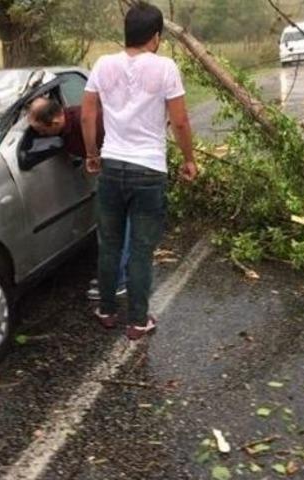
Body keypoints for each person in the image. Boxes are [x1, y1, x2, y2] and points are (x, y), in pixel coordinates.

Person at [80, 1, 197, 340]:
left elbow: (88, 115)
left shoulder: (102, 64)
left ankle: (105, 309)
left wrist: (92, 153)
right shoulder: (165, 68)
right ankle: (137, 321)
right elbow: (180, 120)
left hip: (112, 166)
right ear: (156, 36)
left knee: (110, 244)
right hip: (148, 169)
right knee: (142, 250)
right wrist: (189, 159)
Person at [26, 96, 129, 300]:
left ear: (55, 122)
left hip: (122, 168)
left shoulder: (91, 123)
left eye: (42, 131)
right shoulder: (66, 124)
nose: (41, 135)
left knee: (113, 226)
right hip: (111, 169)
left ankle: (117, 281)